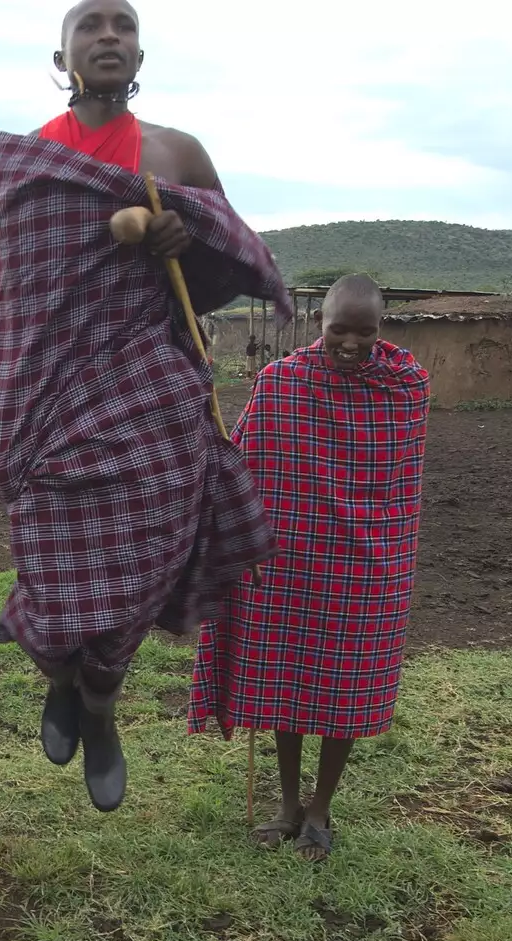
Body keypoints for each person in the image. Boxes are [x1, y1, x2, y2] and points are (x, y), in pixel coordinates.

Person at [0, 0, 290, 811]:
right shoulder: (34, 163)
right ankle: (60, 673)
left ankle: (101, 702)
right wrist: (9, 408)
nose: (108, 34)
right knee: (50, 567)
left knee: (142, 564)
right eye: (90, 24)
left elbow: (232, 262)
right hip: (52, 402)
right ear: (62, 54)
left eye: (122, 23)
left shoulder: (175, 152)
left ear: (141, 49)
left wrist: (181, 240)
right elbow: (18, 296)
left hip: (149, 393)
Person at [187, 275, 430, 861]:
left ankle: (321, 811)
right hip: (289, 560)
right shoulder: (281, 382)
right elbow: (245, 459)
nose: (350, 342)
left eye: (364, 332)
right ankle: (288, 804)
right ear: (317, 323)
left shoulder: (406, 387)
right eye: (338, 330)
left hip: (367, 564)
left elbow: (399, 488)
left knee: (342, 687)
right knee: (286, 681)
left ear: (381, 328)